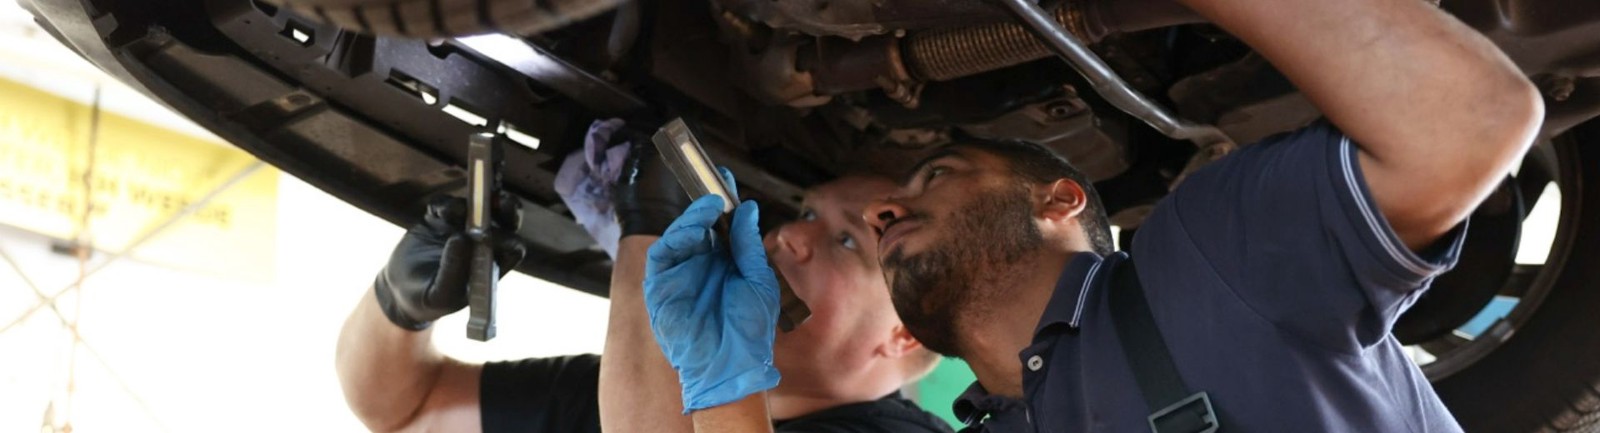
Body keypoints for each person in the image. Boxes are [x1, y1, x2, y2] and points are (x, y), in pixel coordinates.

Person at [641, 0, 1543, 430]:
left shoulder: (1208, 252)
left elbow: (1470, 122)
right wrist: (722, 384)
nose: (886, 208)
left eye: (935, 173)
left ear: (1059, 197)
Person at [334, 139, 952, 433]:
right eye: (808, 214)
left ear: (903, 333)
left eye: (846, 242)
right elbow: (406, 410)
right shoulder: (641, 389)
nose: (790, 235)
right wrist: (398, 304)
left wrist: (645, 233)